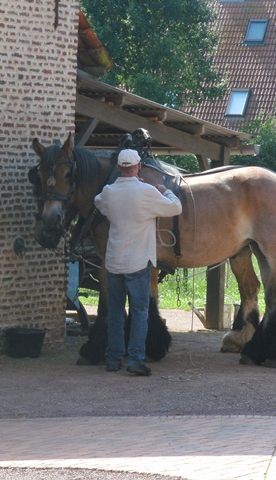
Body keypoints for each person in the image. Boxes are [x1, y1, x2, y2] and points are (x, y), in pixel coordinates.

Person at [94, 149, 182, 376]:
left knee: (115, 312)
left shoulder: (109, 192)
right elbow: (175, 208)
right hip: (139, 262)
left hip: (114, 262)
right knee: (140, 312)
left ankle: (113, 359)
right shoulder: (147, 192)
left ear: (119, 168)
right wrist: (164, 191)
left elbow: (98, 202)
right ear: (138, 167)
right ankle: (135, 360)